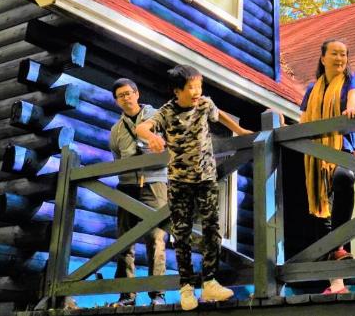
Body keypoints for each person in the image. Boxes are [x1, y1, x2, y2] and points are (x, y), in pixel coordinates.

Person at [135, 65, 253, 311]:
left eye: (199, 86)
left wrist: (239, 130)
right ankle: (186, 287)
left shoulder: (204, 104)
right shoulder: (166, 112)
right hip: (179, 182)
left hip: (206, 178)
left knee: (212, 230)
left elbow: (219, 115)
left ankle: (209, 281)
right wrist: (153, 138)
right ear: (177, 91)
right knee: (182, 234)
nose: (197, 91)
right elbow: (142, 127)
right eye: (191, 88)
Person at [299, 39, 355, 295]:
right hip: (316, 157)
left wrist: (351, 108)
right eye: (335, 54)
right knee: (322, 220)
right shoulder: (312, 88)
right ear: (323, 57)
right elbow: (304, 119)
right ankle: (337, 284)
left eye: (344, 54)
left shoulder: (351, 79)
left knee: (343, 179)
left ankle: (340, 245)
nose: (340, 58)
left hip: (346, 149)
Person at [108, 78, 168, 307]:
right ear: (116, 101)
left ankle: (158, 295)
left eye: (128, 93)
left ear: (137, 94)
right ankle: (126, 296)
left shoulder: (157, 117)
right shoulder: (116, 131)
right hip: (126, 187)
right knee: (124, 242)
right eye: (120, 96)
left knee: (156, 239)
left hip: (154, 184)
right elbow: (116, 158)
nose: (125, 98)